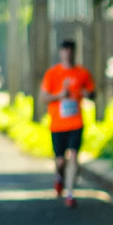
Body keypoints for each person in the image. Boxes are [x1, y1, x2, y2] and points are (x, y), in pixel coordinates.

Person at [39, 39, 95, 208]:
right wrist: (59, 96)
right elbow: (43, 98)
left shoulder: (82, 73)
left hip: (76, 123)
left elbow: (93, 93)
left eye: (71, 51)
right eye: (65, 51)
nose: (68, 54)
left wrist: (88, 94)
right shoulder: (52, 73)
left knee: (73, 156)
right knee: (60, 160)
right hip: (57, 124)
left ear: (74, 52)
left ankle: (70, 193)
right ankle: (59, 177)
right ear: (61, 52)